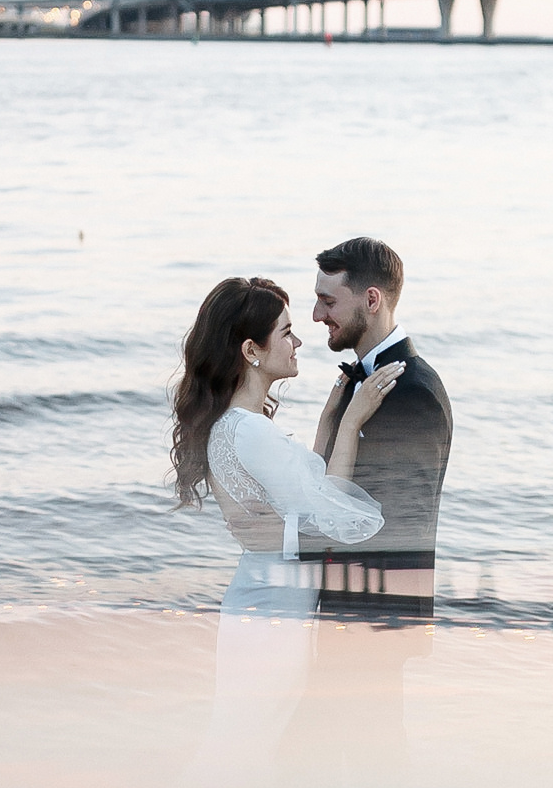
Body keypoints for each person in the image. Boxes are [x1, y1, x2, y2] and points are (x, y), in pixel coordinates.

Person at [172, 276, 401, 753]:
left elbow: (300, 493)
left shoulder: (234, 425)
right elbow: (330, 515)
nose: (298, 342)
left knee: (243, 737)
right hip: (272, 615)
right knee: (252, 741)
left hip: (261, 601)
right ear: (251, 351)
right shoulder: (251, 432)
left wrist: (329, 419)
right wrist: (353, 420)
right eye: (287, 332)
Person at [307, 238, 453, 621]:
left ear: (372, 300)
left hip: (380, 617)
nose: (317, 315)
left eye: (328, 301)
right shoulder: (356, 384)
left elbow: (401, 529)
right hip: (343, 609)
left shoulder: (413, 394)